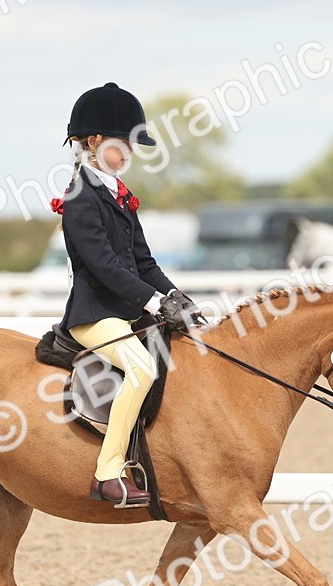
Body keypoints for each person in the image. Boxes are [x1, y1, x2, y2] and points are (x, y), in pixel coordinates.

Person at [51, 82, 204, 508]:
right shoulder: (80, 198)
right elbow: (104, 266)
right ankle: (107, 473)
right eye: (125, 145)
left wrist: (177, 296)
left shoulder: (120, 197)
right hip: (93, 315)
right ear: (94, 142)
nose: (131, 154)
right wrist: (154, 303)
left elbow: (144, 262)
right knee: (141, 369)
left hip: (125, 312)